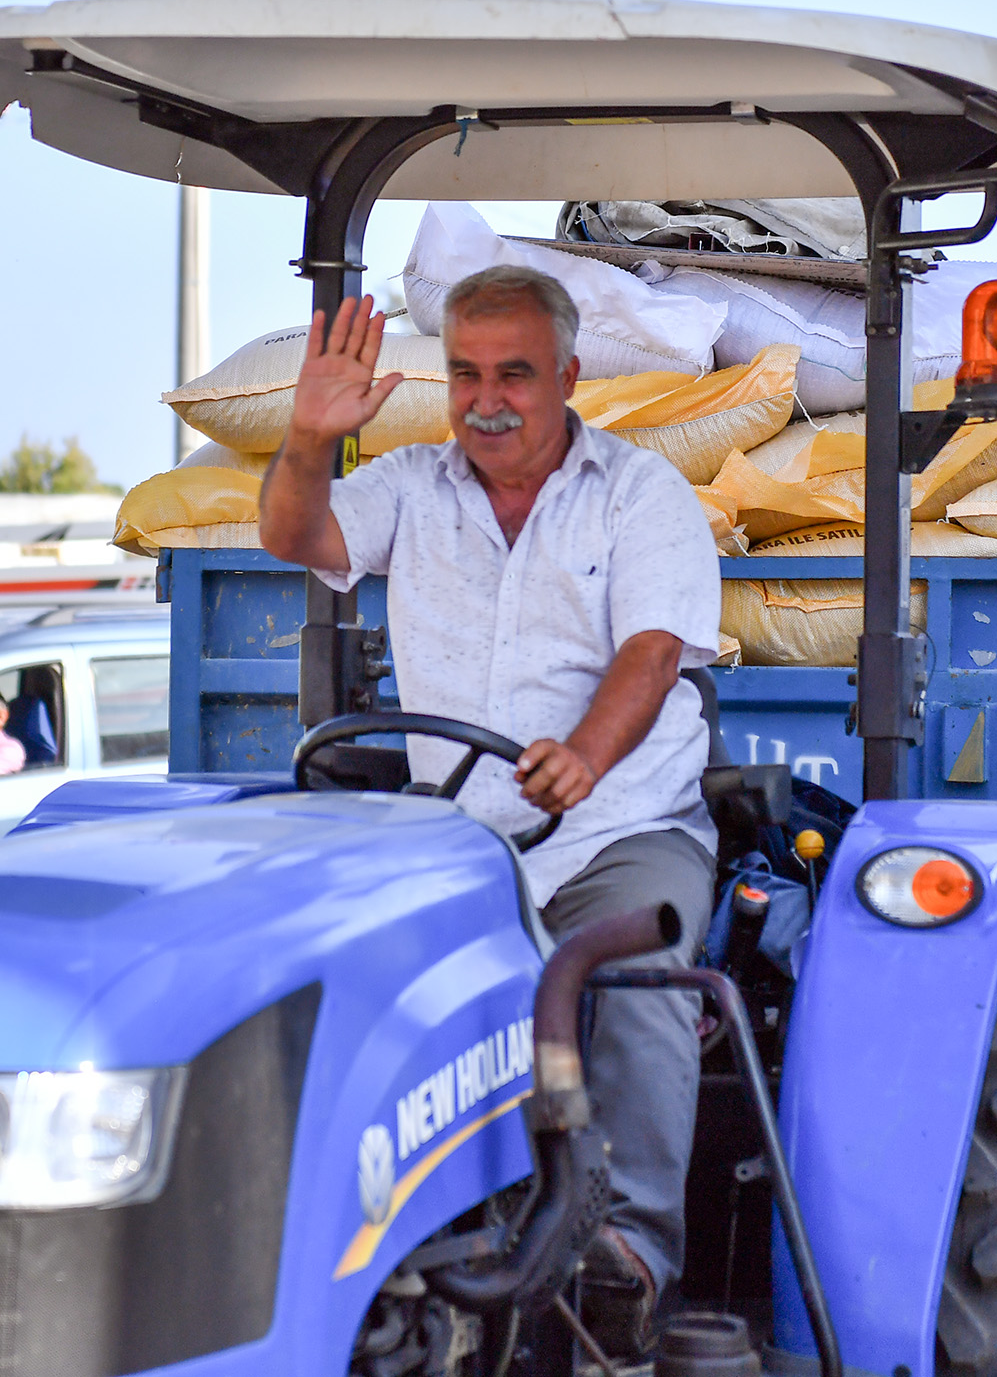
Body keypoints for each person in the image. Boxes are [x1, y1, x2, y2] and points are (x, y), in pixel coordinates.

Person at [259, 266, 719, 1357]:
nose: (487, 398)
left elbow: (652, 649)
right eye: (465, 373)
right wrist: (309, 435)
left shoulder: (639, 492)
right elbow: (295, 535)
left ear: (567, 374)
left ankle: (628, 1254)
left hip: (620, 826)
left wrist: (587, 755)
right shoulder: (412, 485)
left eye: (514, 371)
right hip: (457, 833)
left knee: (633, 966)